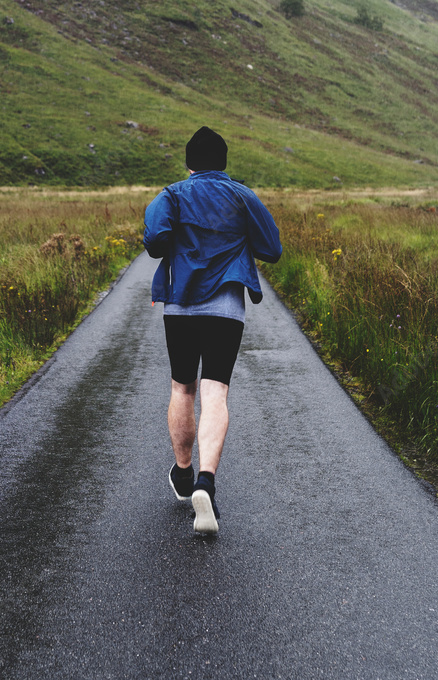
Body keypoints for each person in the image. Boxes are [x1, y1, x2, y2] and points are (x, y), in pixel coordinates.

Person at [143, 126, 282, 534]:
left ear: (189, 164)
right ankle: (206, 480)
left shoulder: (171, 194)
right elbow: (271, 249)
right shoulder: (242, 195)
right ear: (223, 162)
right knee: (215, 390)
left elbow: (154, 242)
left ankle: (184, 474)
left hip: (180, 306)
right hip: (225, 307)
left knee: (181, 388)